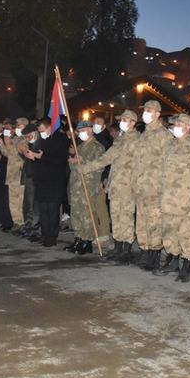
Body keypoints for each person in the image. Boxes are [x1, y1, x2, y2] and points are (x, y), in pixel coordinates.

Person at [78, 110, 141, 263]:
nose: (122, 122)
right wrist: (87, 168)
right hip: (115, 185)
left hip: (128, 185)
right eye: (121, 120)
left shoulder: (138, 140)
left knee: (126, 217)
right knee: (116, 216)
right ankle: (118, 247)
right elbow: (107, 158)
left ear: (133, 122)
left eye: (126, 120)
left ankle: (126, 250)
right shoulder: (120, 139)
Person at [155, 114, 190, 280]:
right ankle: (173, 260)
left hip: (185, 200)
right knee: (169, 231)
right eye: (174, 124)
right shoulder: (171, 145)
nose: (174, 126)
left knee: (186, 233)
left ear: (187, 126)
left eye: (178, 123)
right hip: (168, 198)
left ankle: (187, 264)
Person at [131, 100, 172, 272]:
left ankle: (154, 256)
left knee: (154, 222)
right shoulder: (144, 135)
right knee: (141, 222)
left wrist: (163, 187)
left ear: (157, 114)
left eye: (149, 110)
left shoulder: (164, 136)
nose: (146, 113)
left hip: (155, 188)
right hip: (141, 187)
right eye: (145, 110)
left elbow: (168, 164)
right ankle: (145, 251)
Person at [25, 117, 69, 247]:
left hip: (55, 179)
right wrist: (33, 156)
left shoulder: (61, 139)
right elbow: (38, 154)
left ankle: (52, 236)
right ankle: (44, 234)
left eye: (42, 130)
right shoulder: (42, 140)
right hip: (42, 179)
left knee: (52, 209)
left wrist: (41, 156)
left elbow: (60, 159)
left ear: (49, 127)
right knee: (43, 208)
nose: (41, 132)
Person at [66, 121, 106, 255]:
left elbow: (98, 165)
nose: (80, 133)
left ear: (90, 130)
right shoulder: (81, 146)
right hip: (76, 184)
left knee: (87, 214)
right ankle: (78, 238)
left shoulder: (97, 147)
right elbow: (73, 166)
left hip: (88, 184)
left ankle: (87, 241)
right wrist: (74, 161)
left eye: (83, 130)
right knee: (76, 213)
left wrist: (80, 161)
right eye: (79, 131)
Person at [0, 117, 28, 232]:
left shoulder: (25, 139)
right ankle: (16, 222)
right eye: (16, 126)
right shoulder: (15, 139)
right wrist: (3, 145)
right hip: (11, 174)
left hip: (20, 173)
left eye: (19, 126)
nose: (16, 128)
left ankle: (22, 223)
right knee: (12, 201)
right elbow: (8, 154)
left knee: (20, 200)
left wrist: (10, 143)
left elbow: (22, 155)